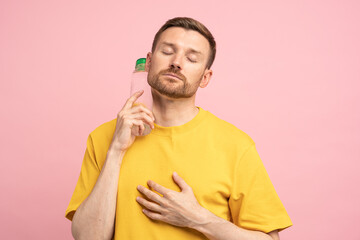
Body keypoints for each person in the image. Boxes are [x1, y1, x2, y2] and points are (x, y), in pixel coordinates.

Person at [65, 17, 292, 240]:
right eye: (167, 51)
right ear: (149, 61)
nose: (176, 62)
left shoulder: (236, 145)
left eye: (191, 58)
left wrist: (198, 218)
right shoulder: (104, 137)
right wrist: (115, 151)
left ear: (205, 77)